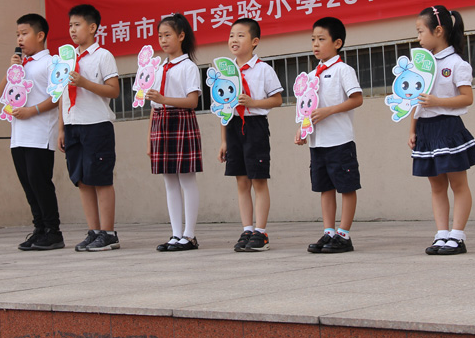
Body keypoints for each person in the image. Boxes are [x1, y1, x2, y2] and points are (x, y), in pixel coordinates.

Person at [409, 6, 475, 255]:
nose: (418, 38)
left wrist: (438, 101)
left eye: (421, 31)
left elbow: (467, 98)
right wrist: (412, 129)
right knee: (436, 186)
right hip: (426, 130)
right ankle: (441, 234)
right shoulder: (421, 63)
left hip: (448, 128)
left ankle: (457, 236)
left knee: (458, 184)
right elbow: (414, 100)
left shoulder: (456, 63)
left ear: (438, 31)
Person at [295, 17, 363, 254]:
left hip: (340, 140)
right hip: (318, 141)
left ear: (337, 43)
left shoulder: (344, 70)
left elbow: (357, 99)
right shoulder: (311, 75)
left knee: (346, 186)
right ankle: (329, 232)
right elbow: (307, 107)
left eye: (321, 39)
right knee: (325, 188)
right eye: (313, 39)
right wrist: (303, 130)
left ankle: (344, 234)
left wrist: (329, 111)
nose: (315, 44)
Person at [57, 4, 121, 252]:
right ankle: (93, 231)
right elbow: (63, 95)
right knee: (82, 180)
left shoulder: (102, 55)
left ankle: (109, 233)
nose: (72, 30)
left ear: (92, 27)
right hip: (74, 125)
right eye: (70, 25)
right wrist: (62, 128)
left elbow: (114, 90)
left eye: (77, 25)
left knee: (101, 179)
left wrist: (84, 82)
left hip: (96, 125)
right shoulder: (66, 58)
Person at [0, 14, 63, 251]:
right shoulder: (21, 64)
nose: (20, 38)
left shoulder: (50, 62)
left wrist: (32, 110)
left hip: (39, 133)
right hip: (19, 135)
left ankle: (53, 231)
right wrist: (12, 69)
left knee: (39, 181)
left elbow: (56, 97)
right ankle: (39, 229)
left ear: (40, 35)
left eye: (24, 33)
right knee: (27, 183)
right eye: (17, 34)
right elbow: (1, 94)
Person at [218, 18, 283, 252]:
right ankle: (247, 229)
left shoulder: (263, 69)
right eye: (231, 35)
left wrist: (254, 102)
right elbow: (223, 107)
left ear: (254, 41)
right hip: (233, 125)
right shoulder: (225, 70)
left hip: (255, 126)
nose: (234, 39)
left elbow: (277, 99)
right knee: (241, 180)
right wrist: (224, 139)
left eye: (240, 35)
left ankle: (261, 232)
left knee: (258, 180)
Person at [146, 13, 203, 252]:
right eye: (160, 36)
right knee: (169, 180)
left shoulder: (188, 66)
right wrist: (150, 138)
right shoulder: (157, 67)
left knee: (186, 178)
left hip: (180, 120)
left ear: (181, 36)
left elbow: (192, 102)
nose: (163, 40)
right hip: (160, 122)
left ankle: (189, 235)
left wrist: (163, 99)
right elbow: (152, 104)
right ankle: (175, 234)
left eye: (168, 35)